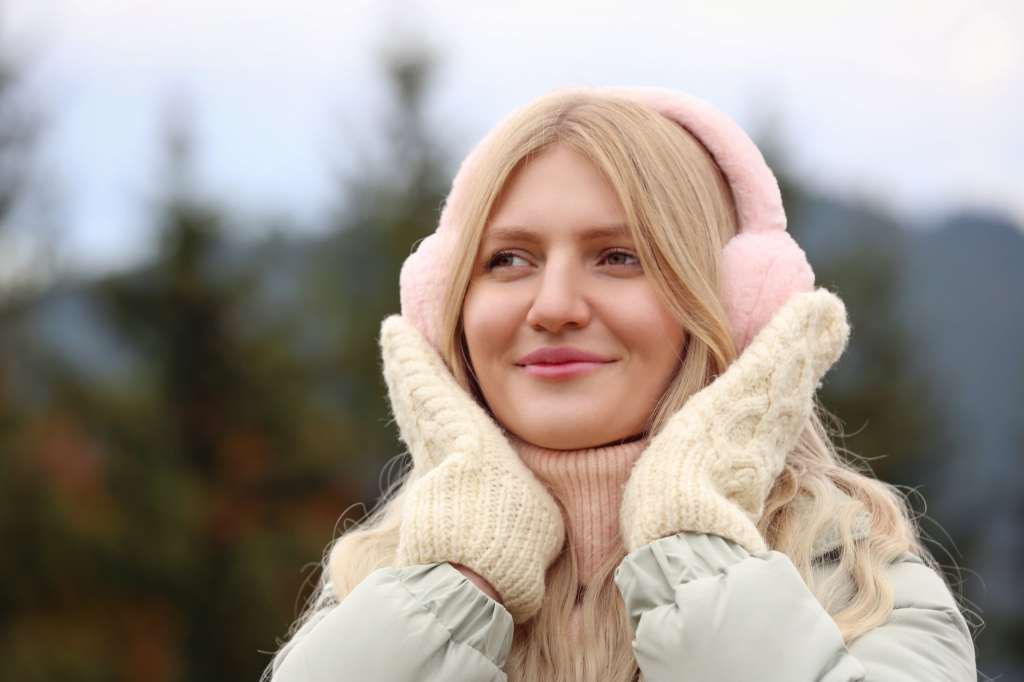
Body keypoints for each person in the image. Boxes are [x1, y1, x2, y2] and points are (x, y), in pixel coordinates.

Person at [262, 86, 978, 681]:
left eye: (618, 257)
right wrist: (460, 580)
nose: (554, 306)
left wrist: (692, 542)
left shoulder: (861, 580)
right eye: (510, 259)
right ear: (447, 303)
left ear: (730, 305)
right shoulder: (380, 582)